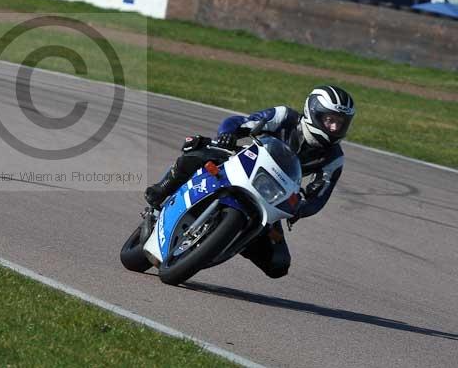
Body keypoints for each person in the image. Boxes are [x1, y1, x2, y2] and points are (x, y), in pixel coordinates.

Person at [144, 85, 355, 278]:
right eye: (330, 119)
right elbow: (239, 122)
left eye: (340, 123)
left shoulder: (334, 158)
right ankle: (162, 190)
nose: (335, 127)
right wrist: (228, 135)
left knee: (279, 265)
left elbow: (319, 196)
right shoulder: (284, 116)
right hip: (243, 163)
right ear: (313, 112)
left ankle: (237, 239)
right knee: (196, 151)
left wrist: (301, 207)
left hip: (272, 194)